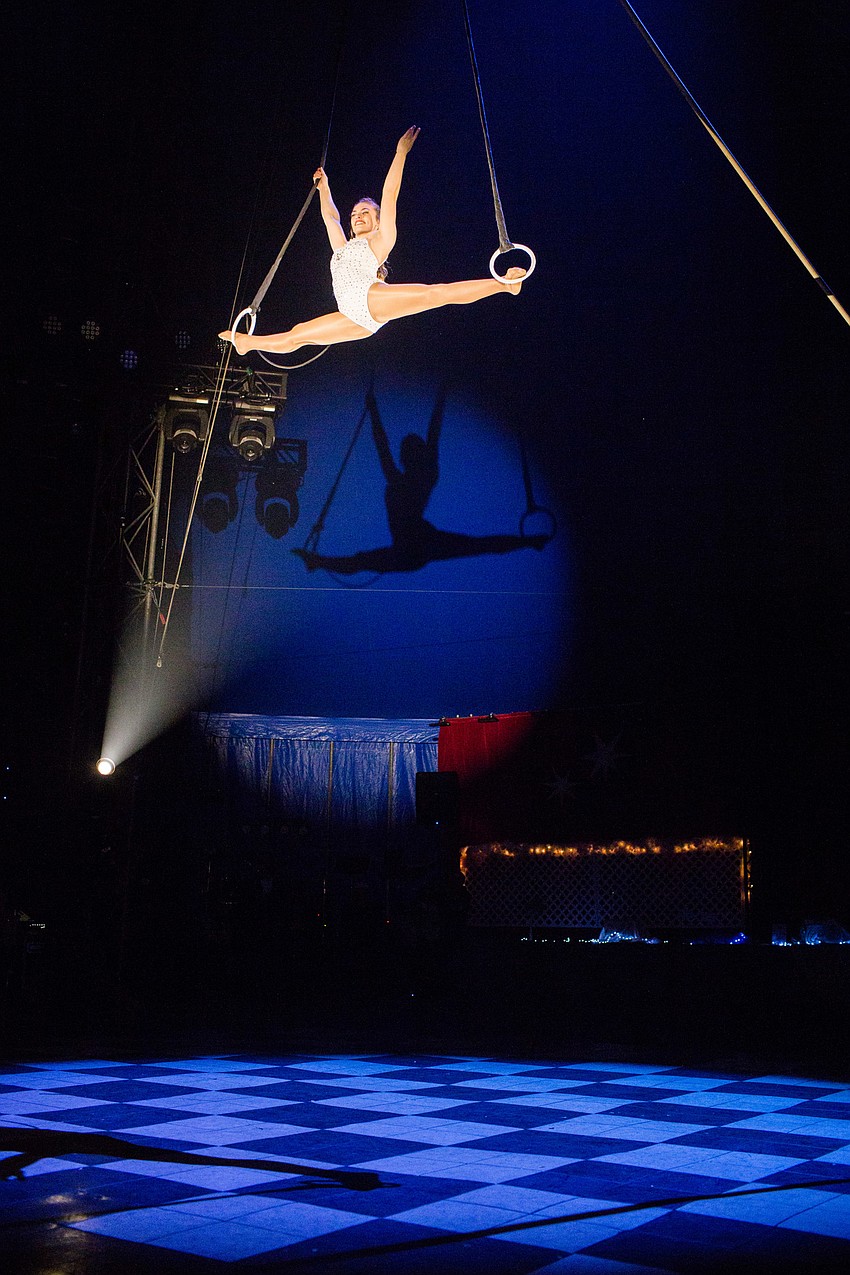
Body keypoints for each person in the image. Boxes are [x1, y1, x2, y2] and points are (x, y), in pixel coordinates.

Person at [219, 127, 526, 356]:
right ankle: (247, 344)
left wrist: (400, 154)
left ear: (378, 221)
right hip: (354, 317)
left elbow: (389, 194)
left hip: (370, 299)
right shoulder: (342, 248)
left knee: (436, 294)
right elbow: (331, 218)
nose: (358, 215)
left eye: (366, 212)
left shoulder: (380, 241)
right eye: (356, 212)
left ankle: (504, 285)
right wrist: (324, 188)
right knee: (299, 334)